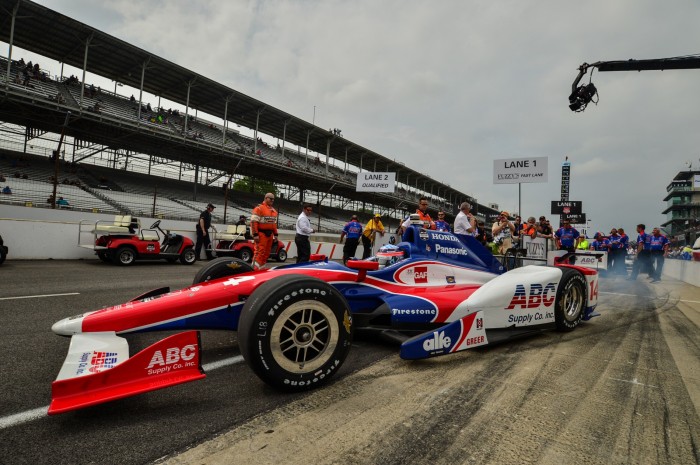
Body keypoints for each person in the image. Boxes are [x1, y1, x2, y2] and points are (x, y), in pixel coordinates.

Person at [251, 193, 278, 270]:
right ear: (266, 198)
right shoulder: (259, 208)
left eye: (273, 199)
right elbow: (253, 222)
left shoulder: (274, 211)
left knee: (266, 253)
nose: (272, 200)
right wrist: (255, 234)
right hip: (261, 234)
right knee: (259, 252)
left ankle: (261, 270)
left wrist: (275, 234)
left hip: (270, 235)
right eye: (270, 199)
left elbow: (274, 224)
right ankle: (253, 270)